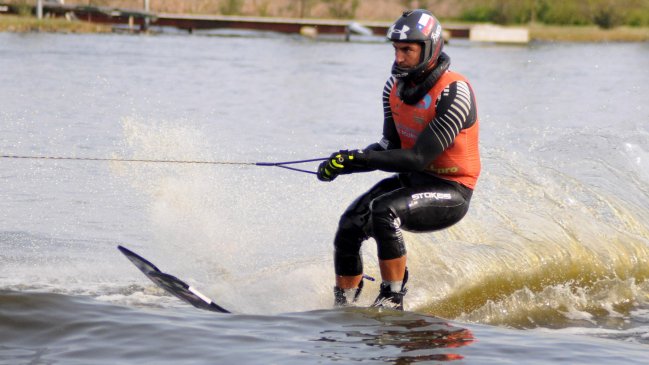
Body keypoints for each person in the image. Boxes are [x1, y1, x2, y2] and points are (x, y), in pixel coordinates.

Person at [316, 9, 480, 310]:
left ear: (429, 50)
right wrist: (345, 163)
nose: (399, 57)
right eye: (396, 49)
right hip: (411, 181)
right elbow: (388, 145)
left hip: (451, 190)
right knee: (351, 223)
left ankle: (392, 298)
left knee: (383, 210)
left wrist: (363, 159)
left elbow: (418, 157)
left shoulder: (455, 92)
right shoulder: (393, 88)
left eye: (407, 50)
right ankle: (344, 306)